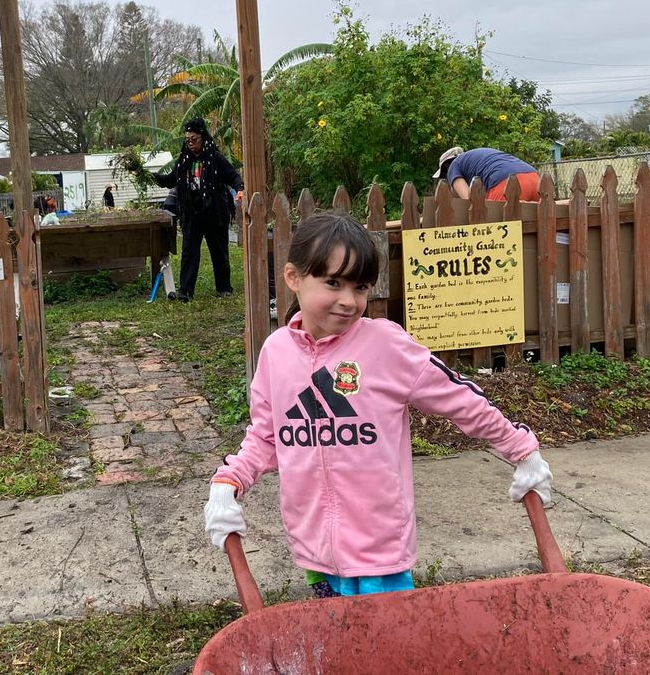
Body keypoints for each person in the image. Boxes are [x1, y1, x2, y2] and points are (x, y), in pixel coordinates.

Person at [204, 212, 553, 599]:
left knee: (384, 650)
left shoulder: (385, 346)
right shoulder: (276, 353)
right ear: (293, 278)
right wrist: (230, 480)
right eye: (333, 283)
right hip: (314, 549)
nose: (349, 301)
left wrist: (520, 447)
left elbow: (459, 399)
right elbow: (267, 437)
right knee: (336, 644)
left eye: (361, 287)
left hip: (380, 551)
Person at [153, 118, 244, 301]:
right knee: (189, 251)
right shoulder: (184, 160)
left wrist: (240, 190)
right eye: (188, 140)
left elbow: (233, 177)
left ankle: (224, 288)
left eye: (194, 139)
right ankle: (185, 292)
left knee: (219, 250)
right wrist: (153, 177)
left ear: (203, 138)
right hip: (192, 213)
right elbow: (171, 180)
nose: (191, 143)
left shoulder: (215, 158)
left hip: (214, 212)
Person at [435, 146, 540, 202]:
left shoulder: (454, 166)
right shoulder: (476, 158)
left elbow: (470, 202)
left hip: (505, 183)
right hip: (534, 178)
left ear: (446, 167)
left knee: (496, 227)